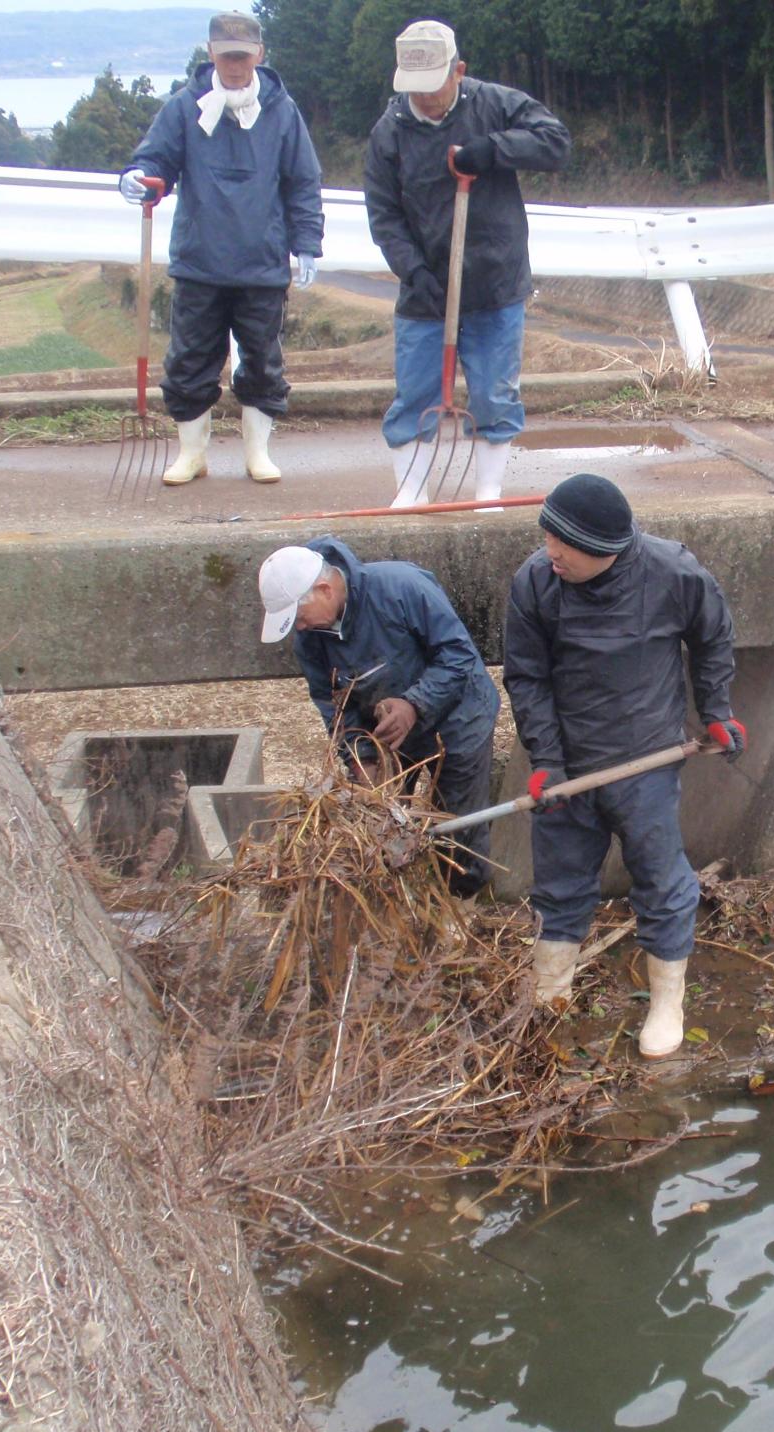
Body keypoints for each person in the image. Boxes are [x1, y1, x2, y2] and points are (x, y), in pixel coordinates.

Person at [503, 475, 746, 1058]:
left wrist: (715, 710)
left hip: (646, 758)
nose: (551, 551)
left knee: (661, 879)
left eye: (566, 544)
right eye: (547, 535)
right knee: (560, 879)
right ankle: (552, 990)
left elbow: (713, 637)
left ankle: (667, 1002)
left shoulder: (673, 574)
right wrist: (546, 762)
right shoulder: (536, 582)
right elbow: (527, 676)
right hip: (569, 763)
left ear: (608, 550)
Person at [364, 19, 569, 508]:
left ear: (458, 70)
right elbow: (384, 214)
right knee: (414, 396)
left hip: (495, 284)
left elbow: (556, 142)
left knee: (495, 396)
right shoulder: (390, 132)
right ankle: (411, 491)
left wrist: (495, 150)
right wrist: (412, 271)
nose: (425, 98)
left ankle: (487, 493)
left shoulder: (495, 105)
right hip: (425, 289)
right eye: (415, 88)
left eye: (433, 86)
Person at [121, 11, 324, 487]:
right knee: (190, 359)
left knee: (262, 359)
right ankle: (192, 453)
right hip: (200, 261)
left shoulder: (282, 111)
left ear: (260, 54)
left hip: (262, 262)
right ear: (210, 53)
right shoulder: (183, 107)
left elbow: (303, 182)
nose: (234, 65)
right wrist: (139, 179)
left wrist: (307, 243)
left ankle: (258, 451)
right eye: (226, 55)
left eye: (243, 56)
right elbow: (156, 161)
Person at [258, 538, 499, 895]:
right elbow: (333, 705)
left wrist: (413, 704)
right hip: (387, 733)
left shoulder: (401, 589)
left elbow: (457, 655)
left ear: (325, 589)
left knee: (456, 824)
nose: (300, 628)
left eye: (299, 617)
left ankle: (461, 900)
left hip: (459, 718)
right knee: (380, 823)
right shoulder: (311, 641)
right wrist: (361, 758)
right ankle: (401, 899)